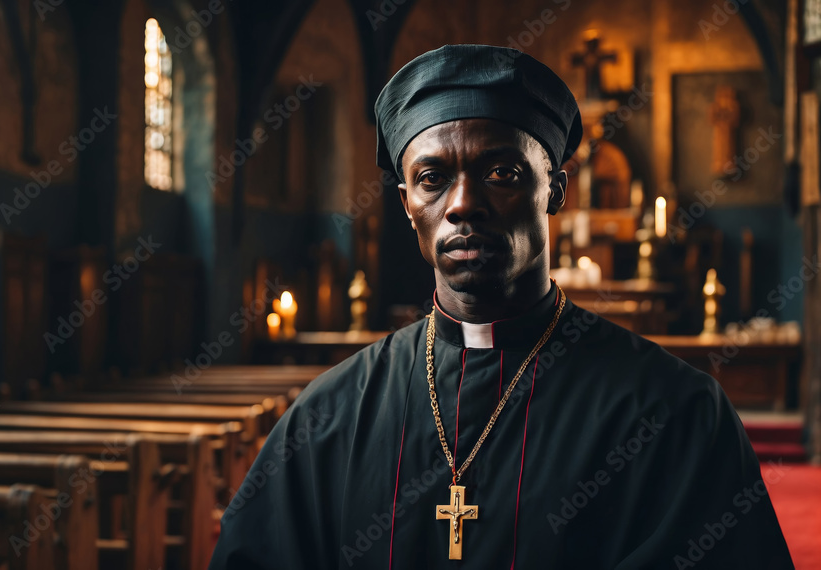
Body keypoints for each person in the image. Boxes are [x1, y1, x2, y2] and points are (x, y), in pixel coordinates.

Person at [209, 44, 793, 569]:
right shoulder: (327, 417)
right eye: (433, 177)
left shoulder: (673, 412)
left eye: (501, 172)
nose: (463, 204)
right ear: (407, 202)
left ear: (555, 189)